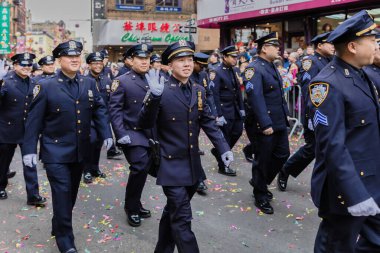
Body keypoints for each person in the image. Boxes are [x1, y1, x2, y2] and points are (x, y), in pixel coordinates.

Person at [138, 40, 233, 253]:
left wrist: (224, 148)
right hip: (170, 165)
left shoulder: (198, 90)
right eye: (181, 60)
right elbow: (144, 123)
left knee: (172, 213)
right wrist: (153, 98)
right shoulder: (160, 89)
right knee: (182, 218)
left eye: (189, 60)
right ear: (169, 65)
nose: (187, 64)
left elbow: (208, 120)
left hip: (192, 164)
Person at [21, 40, 113, 253]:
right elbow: (33, 120)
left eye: (77, 56)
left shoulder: (88, 83)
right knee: (62, 193)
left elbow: (99, 108)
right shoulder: (45, 85)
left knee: (70, 194)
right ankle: (65, 240)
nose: (74, 60)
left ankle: (58, 224)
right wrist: (28, 150)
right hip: (55, 151)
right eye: (69, 56)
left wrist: (106, 133)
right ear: (59, 59)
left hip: (80, 150)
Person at [307, 10, 380, 252]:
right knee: (336, 246)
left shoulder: (361, 76)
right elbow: (332, 146)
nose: (376, 45)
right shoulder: (327, 84)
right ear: (352, 46)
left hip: (371, 180)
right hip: (346, 188)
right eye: (372, 41)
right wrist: (355, 194)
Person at [277, 32, 334, 192]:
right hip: (315, 114)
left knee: (328, 149)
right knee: (312, 148)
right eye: (330, 43)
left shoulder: (332, 61)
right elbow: (309, 90)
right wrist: (313, 114)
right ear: (320, 45)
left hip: (331, 112)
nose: (333, 46)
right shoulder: (310, 62)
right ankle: (286, 169)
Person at [243, 32, 290, 214]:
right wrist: (264, 123)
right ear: (264, 48)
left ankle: (259, 182)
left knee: (282, 154)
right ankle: (260, 194)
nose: (279, 49)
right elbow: (256, 98)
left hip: (278, 121)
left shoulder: (270, 66)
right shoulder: (254, 68)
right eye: (275, 46)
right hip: (265, 123)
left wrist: (285, 116)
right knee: (262, 160)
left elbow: (277, 95)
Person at [109, 43, 153, 227]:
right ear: (131, 60)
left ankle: (136, 202)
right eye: (140, 58)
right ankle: (131, 207)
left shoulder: (153, 78)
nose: (144, 62)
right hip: (131, 132)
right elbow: (115, 110)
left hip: (150, 133)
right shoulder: (122, 80)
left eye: (147, 58)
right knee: (139, 167)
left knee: (144, 170)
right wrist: (120, 134)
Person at [0, 53, 47, 205]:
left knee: (30, 162)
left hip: (28, 131)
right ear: (14, 66)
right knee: (3, 162)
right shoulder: (6, 82)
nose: (26, 68)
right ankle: (1, 187)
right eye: (23, 65)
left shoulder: (35, 83)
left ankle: (33, 195)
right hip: (7, 130)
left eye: (29, 65)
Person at [209, 45, 245, 176]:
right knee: (226, 137)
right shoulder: (217, 71)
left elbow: (238, 91)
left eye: (236, 57)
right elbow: (214, 94)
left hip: (234, 109)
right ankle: (223, 165)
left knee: (237, 131)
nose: (236, 59)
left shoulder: (233, 70)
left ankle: (219, 151)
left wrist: (241, 108)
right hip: (224, 110)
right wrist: (217, 114)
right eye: (233, 57)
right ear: (224, 57)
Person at [190, 52, 217, 193]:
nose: (202, 68)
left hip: (203, 114)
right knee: (193, 147)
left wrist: (214, 113)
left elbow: (209, 94)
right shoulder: (186, 75)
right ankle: (198, 180)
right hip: (189, 116)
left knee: (194, 147)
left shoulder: (203, 74)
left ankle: (197, 178)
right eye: (200, 65)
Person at [83, 52, 112, 184]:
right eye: (95, 63)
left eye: (100, 63)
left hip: (102, 119)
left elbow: (110, 100)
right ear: (89, 65)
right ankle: (87, 170)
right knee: (90, 144)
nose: (98, 65)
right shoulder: (83, 80)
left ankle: (95, 168)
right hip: (88, 119)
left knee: (98, 145)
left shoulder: (107, 80)